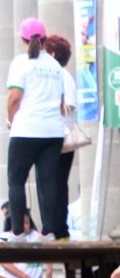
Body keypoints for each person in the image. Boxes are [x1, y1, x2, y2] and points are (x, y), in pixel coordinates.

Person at [6, 18, 65, 240]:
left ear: (22, 39)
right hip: (53, 132)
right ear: (44, 38)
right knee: (48, 180)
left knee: (17, 180)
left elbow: (14, 98)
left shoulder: (21, 62)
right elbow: (61, 103)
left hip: (26, 129)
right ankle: (49, 231)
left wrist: (10, 120)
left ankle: (18, 231)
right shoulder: (55, 65)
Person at [42, 34, 76, 241]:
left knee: (56, 182)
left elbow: (68, 106)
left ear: (52, 54)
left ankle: (57, 228)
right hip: (51, 136)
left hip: (60, 137)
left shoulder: (63, 76)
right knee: (51, 182)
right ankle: (51, 227)